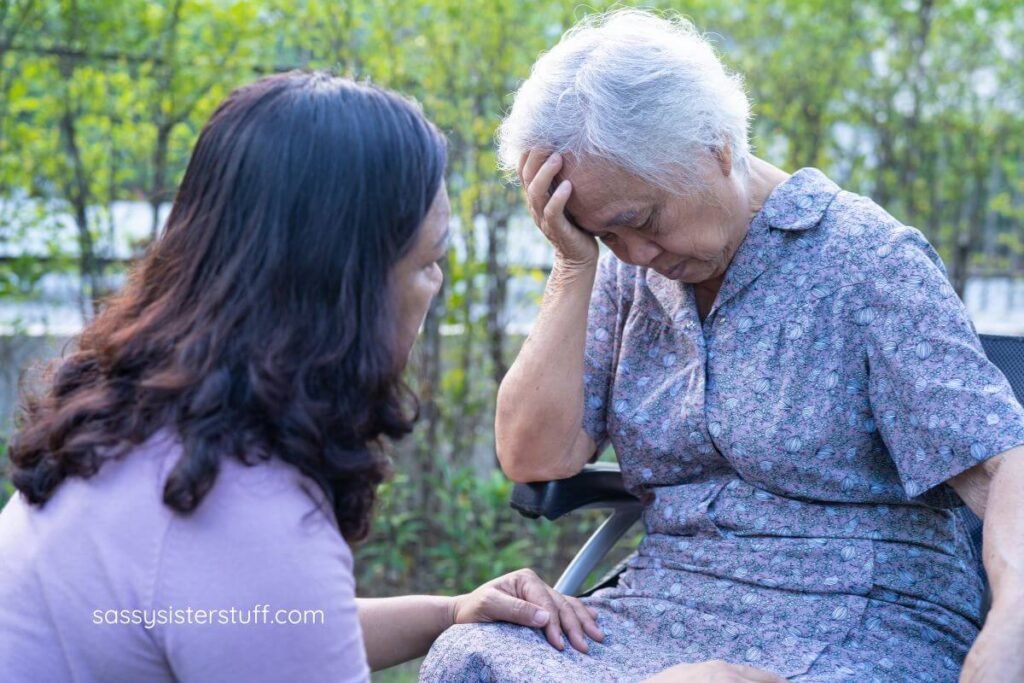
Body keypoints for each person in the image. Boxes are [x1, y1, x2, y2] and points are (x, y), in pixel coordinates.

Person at [421, 9, 1024, 683]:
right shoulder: (625, 272)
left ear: (717, 146)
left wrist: (1010, 629)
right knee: (470, 654)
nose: (637, 253)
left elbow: (1002, 466)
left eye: (642, 221)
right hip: (665, 605)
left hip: (859, 618)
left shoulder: (867, 262)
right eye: (606, 235)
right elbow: (534, 456)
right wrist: (574, 264)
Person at [0, 71, 607, 683]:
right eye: (429, 260)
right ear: (345, 291)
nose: (436, 284)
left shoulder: (139, 425)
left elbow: (256, 624)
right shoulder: (244, 502)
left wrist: (450, 612)